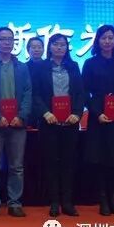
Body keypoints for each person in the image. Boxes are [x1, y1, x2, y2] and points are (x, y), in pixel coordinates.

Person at [0, 27, 32, 218]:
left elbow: (28, 93)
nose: (7, 42)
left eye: (10, 39)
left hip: (18, 124)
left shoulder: (22, 67)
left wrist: (21, 116)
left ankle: (14, 203)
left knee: (16, 166)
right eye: (2, 39)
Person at [81, 25, 114, 216]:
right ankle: (103, 201)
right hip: (99, 118)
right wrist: (96, 113)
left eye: (111, 38)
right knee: (101, 160)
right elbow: (84, 92)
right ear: (98, 41)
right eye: (103, 38)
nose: (107, 41)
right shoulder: (90, 64)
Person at [33, 33, 84, 217]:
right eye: (55, 44)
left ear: (67, 47)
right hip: (49, 122)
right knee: (51, 163)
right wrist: (46, 113)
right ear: (50, 47)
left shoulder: (74, 66)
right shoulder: (41, 67)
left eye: (63, 44)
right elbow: (35, 94)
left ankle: (68, 202)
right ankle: (54, 202)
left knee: (69, 163)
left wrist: (77, 114)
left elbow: (80, 93)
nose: (59, 47)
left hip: (70, 122)